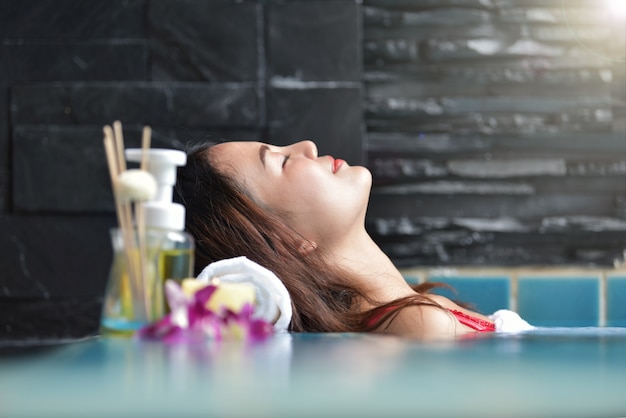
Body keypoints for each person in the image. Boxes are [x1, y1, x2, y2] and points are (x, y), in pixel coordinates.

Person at [175, 140, 495, 339]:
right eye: (282, 160)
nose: (307, 146)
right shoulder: (419, 326)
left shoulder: (414, 316)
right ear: (281, 239)